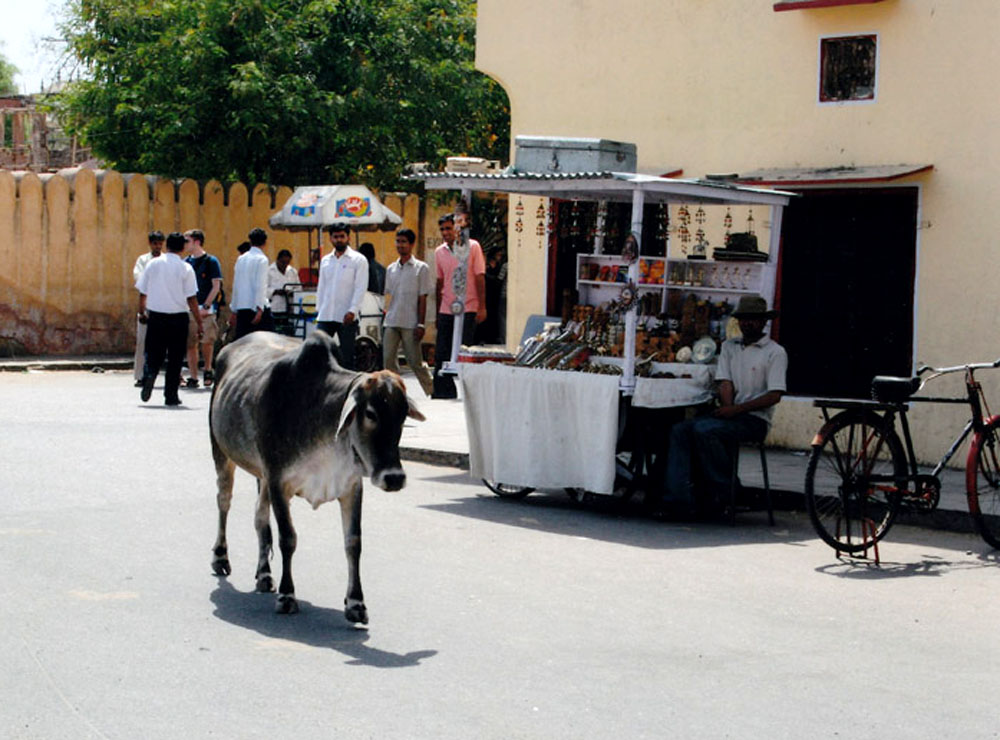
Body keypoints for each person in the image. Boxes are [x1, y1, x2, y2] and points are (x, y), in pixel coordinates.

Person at [653, 294, 787, 518]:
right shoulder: (729, 346)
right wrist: (728, 408)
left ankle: (728, 491)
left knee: (705, 431)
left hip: (755, 419)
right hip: (732, 412)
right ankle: (677, 500)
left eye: (753, 319)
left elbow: (774, 395)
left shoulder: (775, 352)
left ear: (764, 322)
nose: (747, 324)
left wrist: (735, 411)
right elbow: (725, 382)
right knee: (680, 430)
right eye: (744, 319)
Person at [136, 232, 203, 406]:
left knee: (153, 353)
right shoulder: (186, 268)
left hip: (156, 315)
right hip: (178, 318)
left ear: (166, 246)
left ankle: (150, 374)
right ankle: (171, 395)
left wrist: (142, 312)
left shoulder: (153, 264)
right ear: (182, 248)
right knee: (175, 358)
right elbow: (192, 298)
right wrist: (199, 321)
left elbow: (143, 292)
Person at [432, 211, 486, 398]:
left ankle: (470, 393)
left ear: (457, 228)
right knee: (441, 352)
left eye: (448, 228)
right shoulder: (439, 252)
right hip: (447, 308)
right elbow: (439, 283)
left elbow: (480, 277)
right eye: (442, 229)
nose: (445, 232)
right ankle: (442, 391)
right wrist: (438, 312)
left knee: (465, 351)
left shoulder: (473, 247)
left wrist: (482, 306)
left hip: (469, 307)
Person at [382, 228, 434, 396]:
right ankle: (395, 394)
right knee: (388, 360)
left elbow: (423, 298)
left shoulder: (421, 268)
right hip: (392, 320)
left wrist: (420, 323)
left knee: (414, 362)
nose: (400, 245)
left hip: (411, 323)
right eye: (398, 241)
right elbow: (389, 294)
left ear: (411, 244)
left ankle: (432, 390)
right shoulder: (391, 269)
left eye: (404, 242)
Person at [316, 222, 368, 369]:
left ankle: (347, 389)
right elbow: (322, 286)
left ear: (348, 238)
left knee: (346, 357)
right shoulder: (326, 260)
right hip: (326, 314)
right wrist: (319, 309)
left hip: (346, 316)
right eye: (335, 237)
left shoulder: (358, 260)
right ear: (331, 239)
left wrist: (353, 310)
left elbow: (360, 287)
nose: (339, 240)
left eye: (342, 236)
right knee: (319, 352)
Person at [183, 229, 222, 388]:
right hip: (190, 308)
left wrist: (207, 305)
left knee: (207, 341)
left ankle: (207, 368)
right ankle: (193, 376)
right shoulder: (186, 262)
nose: (185, 244)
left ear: (197, 242)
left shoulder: (211, 261)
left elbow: (216, 286)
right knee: (191, 343)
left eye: (187, 241)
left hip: (205, 308)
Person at [131, 231, 164, 385]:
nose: (158, 246)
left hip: (163, 306)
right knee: (142, 342)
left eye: (160, 243)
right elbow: (139, 279)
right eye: (155, 243)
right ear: (150, 244)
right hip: (147, 304)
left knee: (164, 344)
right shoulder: (143, 260)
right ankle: (140, 376)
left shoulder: (166, 260)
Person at [229, 227, 274, 340]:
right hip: (255, 307)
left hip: (242, 306)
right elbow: (261, 285)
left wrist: (234, 309)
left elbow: (236, 285)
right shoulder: (262, 259)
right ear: (265, 242)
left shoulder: (241, 259)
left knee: (243, 342)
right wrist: (259, 309)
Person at [268, 249, 298, 316]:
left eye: (287, 262)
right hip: (274, 308)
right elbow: (263, 289)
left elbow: (298, 288)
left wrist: (291, 292)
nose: (284, 265)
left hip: (289, 307)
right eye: (282, 262)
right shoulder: (269, 271)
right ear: (277, 260)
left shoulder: (292, 271)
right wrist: (275, 291)